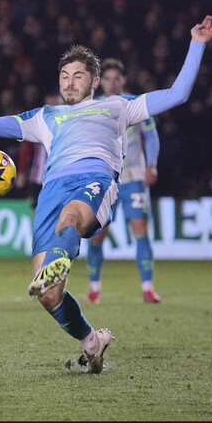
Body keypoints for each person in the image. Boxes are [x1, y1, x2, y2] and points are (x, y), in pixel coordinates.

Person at [0, 15, 212, 374]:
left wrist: (197, 45)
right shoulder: (46, 116)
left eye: (78, 75)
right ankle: (92, 341)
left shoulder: (118, 106)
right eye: (64, 76)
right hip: (52, 190)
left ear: (94, 80)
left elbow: (178, 94)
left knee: (72, 219)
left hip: (94, 178)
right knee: (48, 294)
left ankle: (63, 258)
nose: (70, 82)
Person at [85, 58, 162, 304]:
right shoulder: (92, 107)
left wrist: (152, 164)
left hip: (133, 178)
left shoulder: (135, 104)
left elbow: (151, 136)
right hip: (106, 181)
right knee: (97, 235)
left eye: (116, 78)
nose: (112, 83)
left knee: (140, 230)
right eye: (107, 79)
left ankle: (148, 288)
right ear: (99, 82)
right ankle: (94, 288)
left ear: (124, 80)